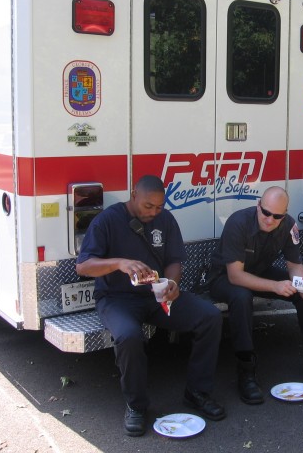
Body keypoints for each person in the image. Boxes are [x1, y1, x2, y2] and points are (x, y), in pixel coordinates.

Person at [76, 175, 225, 437]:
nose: (153, 212)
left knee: (210, 316)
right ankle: (136, 405)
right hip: (116, 297)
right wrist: (119, 263)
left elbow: (175, 260)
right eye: (148, 206)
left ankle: (197, 393)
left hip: (156, 296)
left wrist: (172, 284)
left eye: (158, 207)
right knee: (129, 336)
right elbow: (84, 266)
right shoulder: (108, 220)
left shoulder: (165, 219)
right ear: (134, 194)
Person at [207, 186, 303, 405]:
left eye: (277, 216)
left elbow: (294, 265)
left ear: (285, 214)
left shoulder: (289, 225)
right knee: (241, 297)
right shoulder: (238, 222)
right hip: (223, 277)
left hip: (259, 272)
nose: (270, 219)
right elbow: (235, 276)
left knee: (301, 293)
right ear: (258, 206)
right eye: (266, 212)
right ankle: (246, 372)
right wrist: (275, 286)